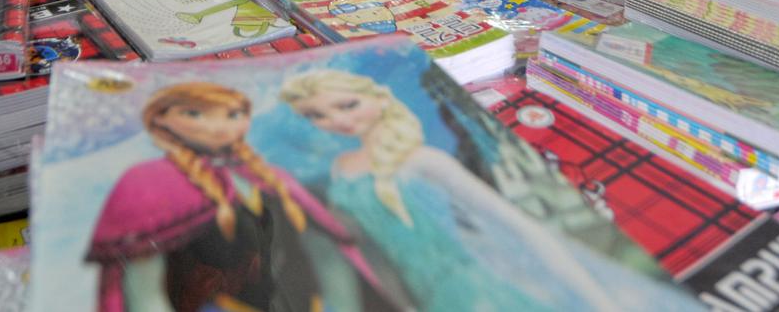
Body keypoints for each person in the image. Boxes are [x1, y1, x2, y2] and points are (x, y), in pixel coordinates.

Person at [279, 71, 695, 312]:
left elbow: (522, 229)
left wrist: (597, 301)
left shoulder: (422, 160)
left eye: (347, 105)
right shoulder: (339, 171)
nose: (335, 120)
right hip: (427, 295)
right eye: (317, 115)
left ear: (380, 101)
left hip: (487, 283)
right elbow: (371, 251)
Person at [84, 82, 402, 312]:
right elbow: (142, 290)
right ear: (162, 120)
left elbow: (325, 250)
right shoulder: (145, 182)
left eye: (233, 114)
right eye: (195, 113)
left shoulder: (270, 176)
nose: (218, 125)